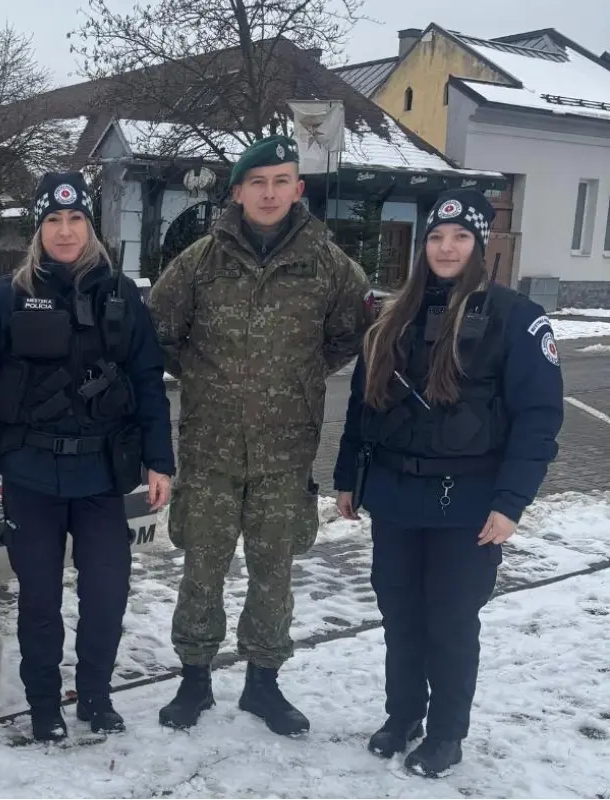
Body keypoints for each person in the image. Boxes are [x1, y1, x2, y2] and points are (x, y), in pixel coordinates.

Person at [333, 188, 563, 777]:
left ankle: (446, 734)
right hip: (395, 496)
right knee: (400, 615)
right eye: (436, 236)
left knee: (451, 623)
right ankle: (403, 715)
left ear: (480, 246)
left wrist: (511, 503)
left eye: (461, 237)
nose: (446, 247)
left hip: (468, 504)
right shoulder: (394, 317)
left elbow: (539, 420)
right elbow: (362, 406)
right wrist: (347, 478)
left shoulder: (516, 318)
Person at [147, 135, 372, 736]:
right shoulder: (200, 262)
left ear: (298, 189)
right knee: (202, 569)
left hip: (285, 452)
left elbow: (350, 334)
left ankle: (263, 684)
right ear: (238, 192)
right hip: (210, 449)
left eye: (280, 182)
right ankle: (194, 680)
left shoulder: (330, 266)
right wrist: (204, 377)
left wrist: (294, 380)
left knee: (274, 573)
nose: (269, 193)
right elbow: (158, 332)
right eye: (257, 183)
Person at [0, 171, 176, 742]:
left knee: (107, 595)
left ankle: (96, 697)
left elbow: (148, 380)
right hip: (30, 474)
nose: (65, 230)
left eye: (76, 218)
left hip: (101, 476)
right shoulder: (6, 296)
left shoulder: (121, 295)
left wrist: (160, 459)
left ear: (90, 225)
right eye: (53, 219)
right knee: (40, 601)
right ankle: (44, 705)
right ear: (39, 228)